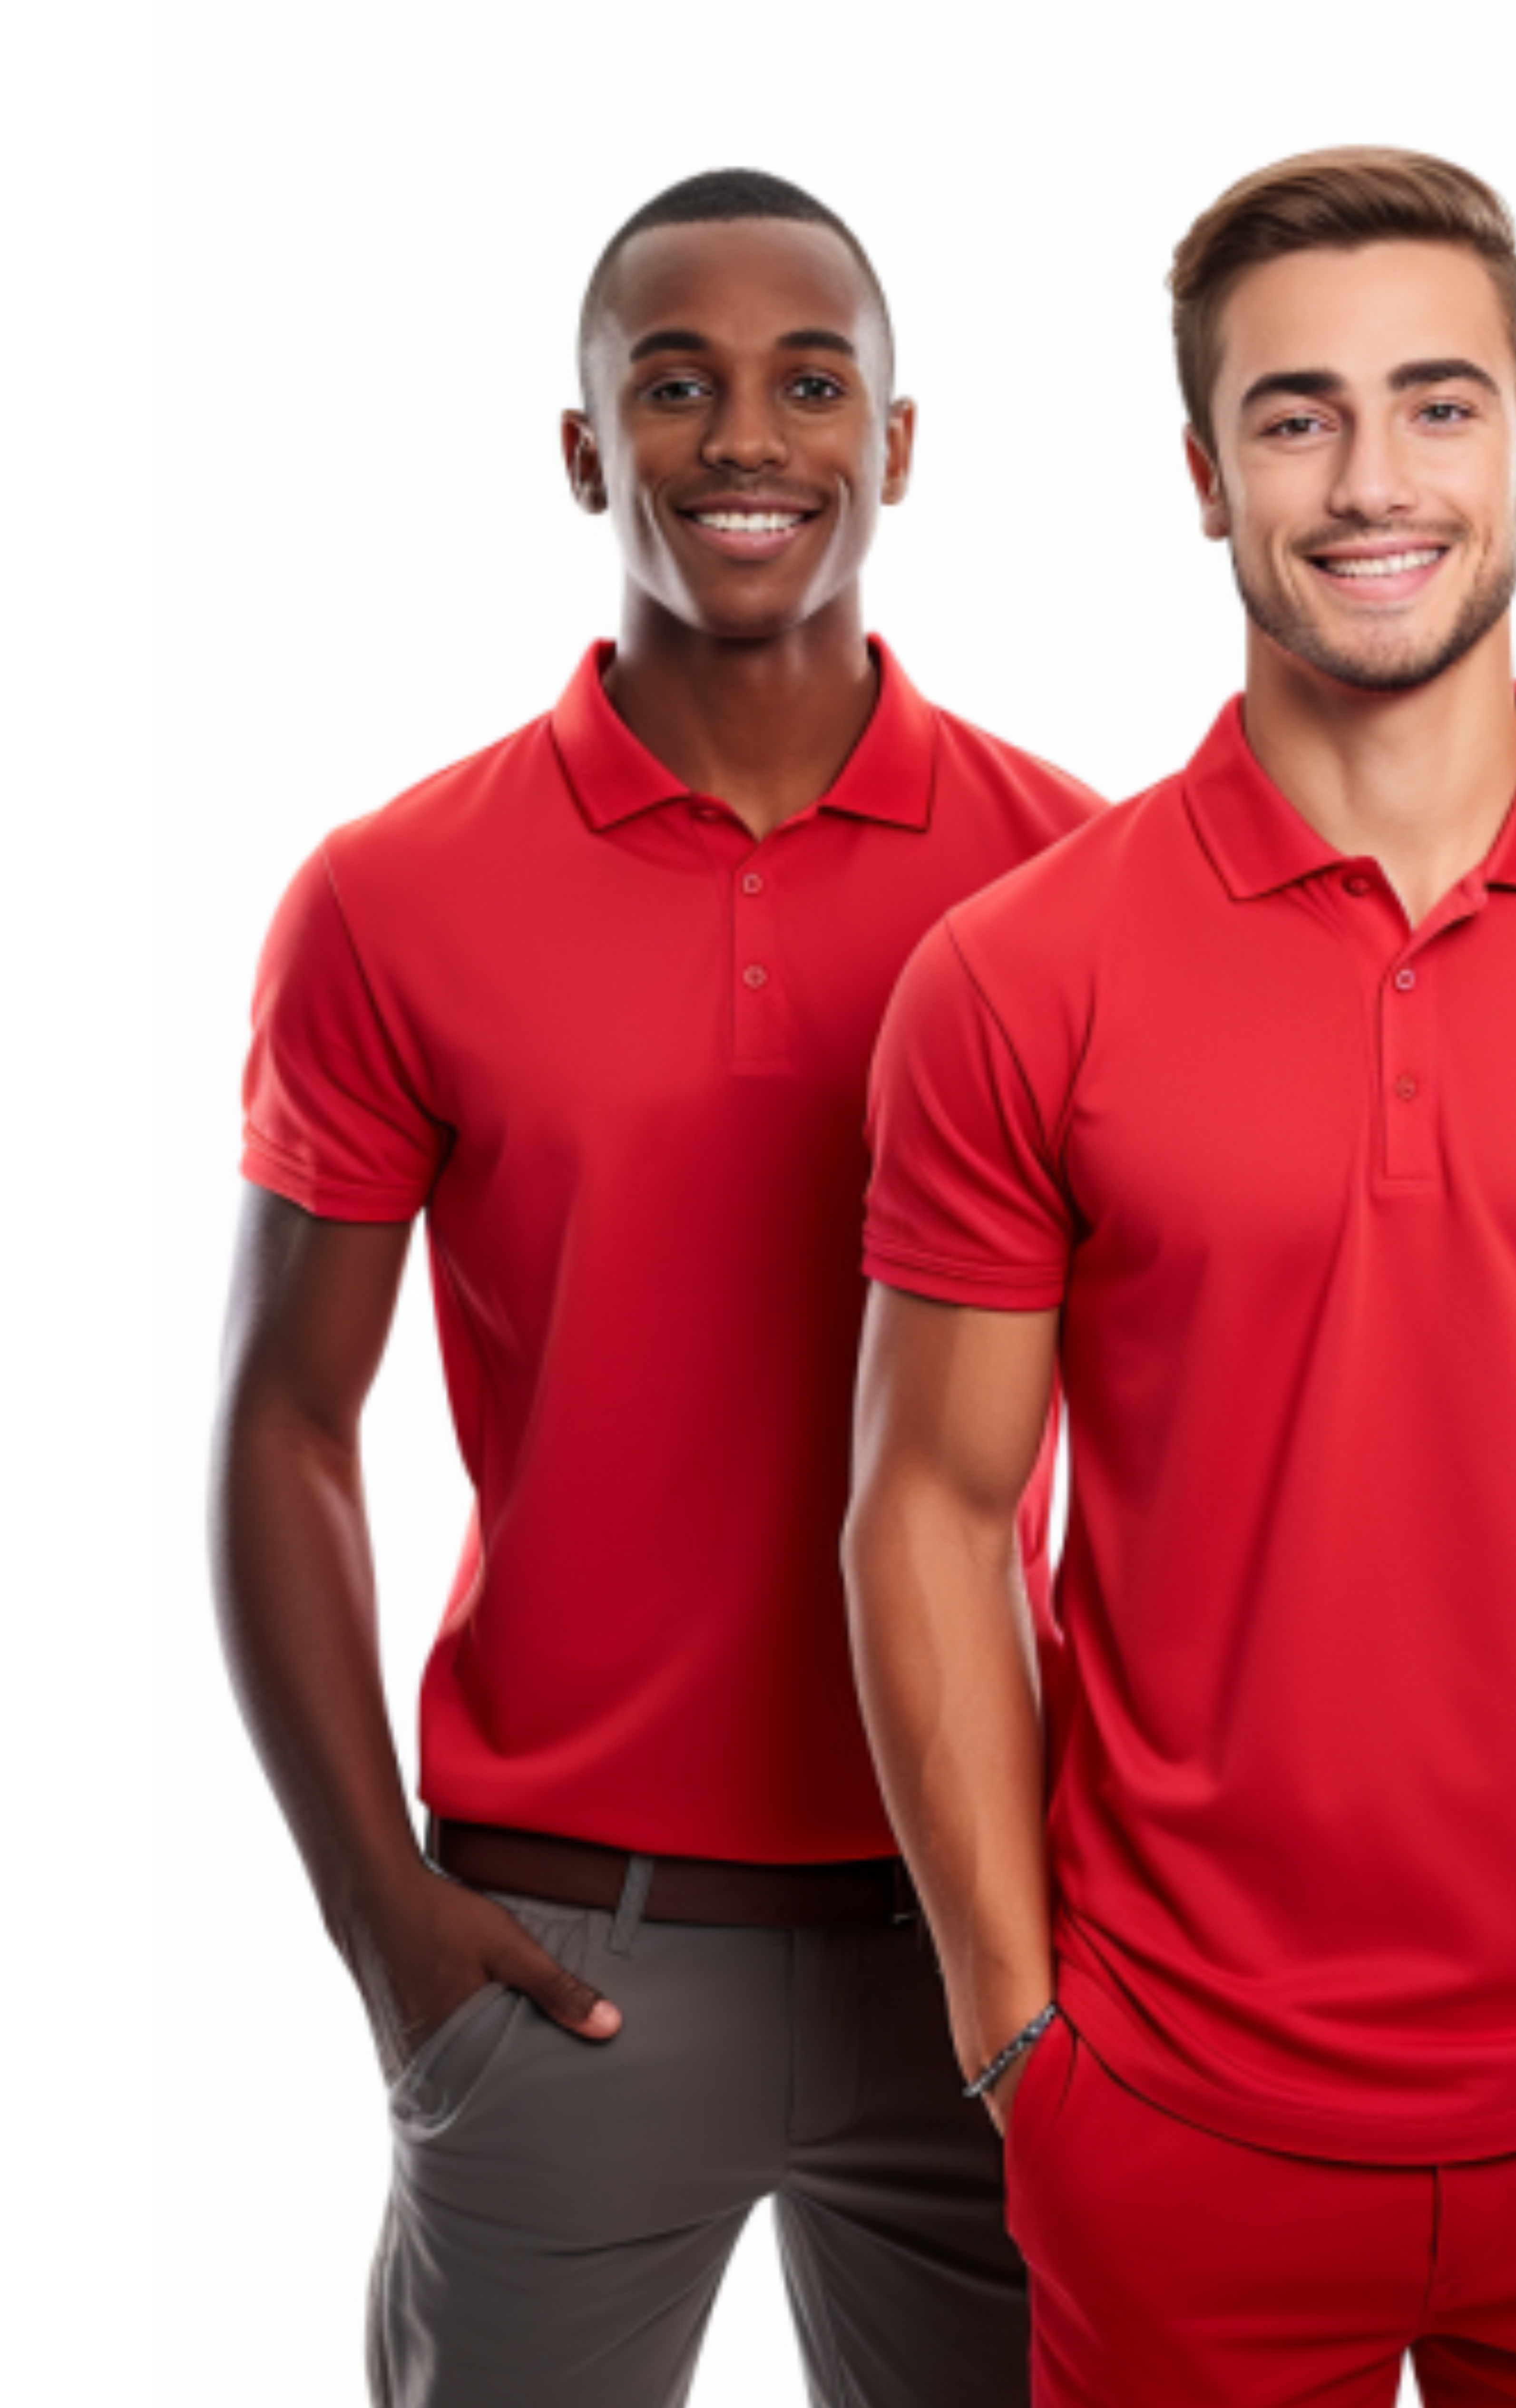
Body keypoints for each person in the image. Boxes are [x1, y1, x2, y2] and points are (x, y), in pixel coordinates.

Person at [846, 147, 1516, 2408]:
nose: (1373, 480)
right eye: (1295, 416)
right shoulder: (1011, 975)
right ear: (1202, 472)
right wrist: (1013, 2035)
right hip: (1174, 2119)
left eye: (1441, 408)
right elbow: (933, 1513)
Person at [210, 168, 1095, 2408]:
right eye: (674, 384)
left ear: (900, 442)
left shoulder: (1079, 878)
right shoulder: (392, 898)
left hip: (988, 1929)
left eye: (812, 382)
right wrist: (379, 1920)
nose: (745, 440)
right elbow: (286, 1423)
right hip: (564, 1945)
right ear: (588, 446)